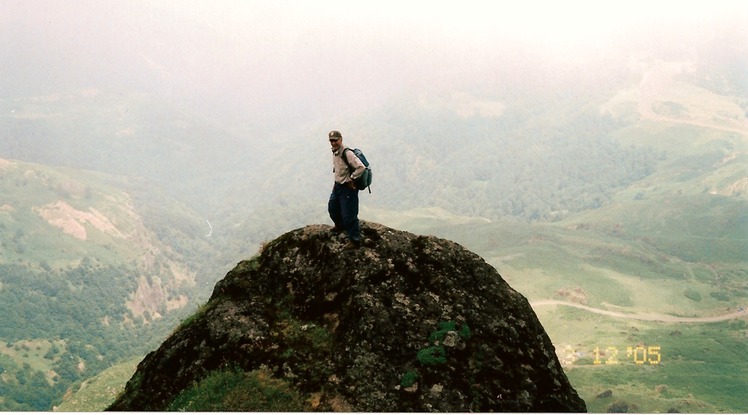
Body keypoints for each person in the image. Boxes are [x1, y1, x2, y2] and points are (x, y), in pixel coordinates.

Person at [327, 130, 365, 250]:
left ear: (341, 139)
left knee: (349, 214)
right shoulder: (335, 152)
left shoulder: (347, 153)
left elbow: (360, 167)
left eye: (335, 140)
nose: (333, 143)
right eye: (331, 141)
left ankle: (355, 240)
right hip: (338, 186)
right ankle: (340, 226)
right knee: (332, 208)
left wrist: (351, 179)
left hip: (348, 188)